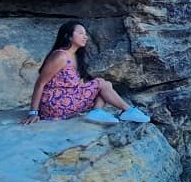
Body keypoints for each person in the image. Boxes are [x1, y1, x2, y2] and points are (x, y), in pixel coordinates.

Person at [20, 20, 150, 125]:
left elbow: (77, 85)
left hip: (66, 100)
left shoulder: (75, 56)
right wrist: (33, 112)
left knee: (103, 85)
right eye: (81, 33)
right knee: (101, 83)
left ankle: (98, 112)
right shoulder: (60, 56)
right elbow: (40, 83)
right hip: (54, 103)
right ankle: (126, 111)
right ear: (68, 36)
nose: (85, 37)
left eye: (86, 34)